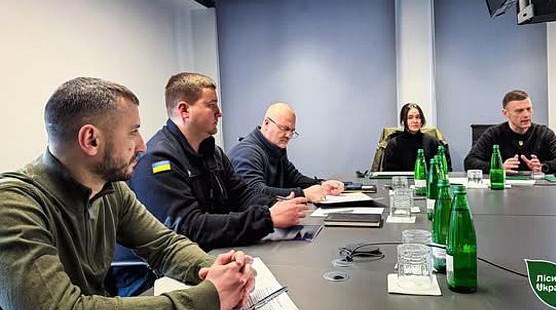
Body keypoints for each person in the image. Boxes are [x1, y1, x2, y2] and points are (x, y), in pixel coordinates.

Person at [0, 77, 255, 310]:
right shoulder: (12, 206)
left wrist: (221, 271)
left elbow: (164, 245)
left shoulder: (111, 189)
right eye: (133, 132)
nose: (142, 146)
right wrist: (208, 297)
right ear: (91, 140)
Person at [113, 73, 309, 294]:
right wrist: (267, 218)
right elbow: (190, 228)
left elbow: (242, 194)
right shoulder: (158, 160)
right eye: (211, 105)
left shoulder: (212, 153)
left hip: (208, 255)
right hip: (152, 279)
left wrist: (275, 205)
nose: (219, 112)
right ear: (184, 110)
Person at [228, 102, 345, 202]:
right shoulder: (246, 152)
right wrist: (303, 194)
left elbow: (294, 178)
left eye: (292, 131)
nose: (288, 135)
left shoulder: (276, 147)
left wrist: (321, 184)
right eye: (285, 129)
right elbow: (255, 192)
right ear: (267, 123)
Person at [463, 89, 556, 174]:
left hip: (537, 189)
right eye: (519, 111)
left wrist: (542, 167)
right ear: (505, 113)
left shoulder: (543, 133)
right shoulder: (493, 134)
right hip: (504, 189)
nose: (526, 115)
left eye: (528, 109)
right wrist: (498, 167)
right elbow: (470, 162)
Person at [382, 103, 451, 171]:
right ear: (403, 121)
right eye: (410, 118)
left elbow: (446, 169)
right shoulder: (394, 144)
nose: (415, 121)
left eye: (418, 117)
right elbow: (388, 172)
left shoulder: (433, 142)